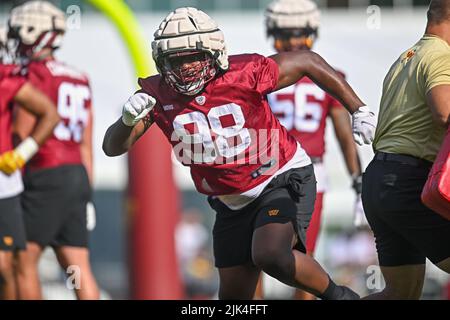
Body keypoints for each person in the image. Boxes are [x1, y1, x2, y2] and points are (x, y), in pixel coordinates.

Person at [103, 7, 376, 300]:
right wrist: (127, 121)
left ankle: (342, 297)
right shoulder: (158, 94)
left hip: (279, 176)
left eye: (192, 58)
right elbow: (112, 147)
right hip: (230, 200)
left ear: (214, 54)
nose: (184, 68)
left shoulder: (245, 73)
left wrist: (357, 108)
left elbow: (307, 61)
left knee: (270, 254)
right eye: (175, 60)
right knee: (234, 300)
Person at [257, 0, 365, 300]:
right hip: (262, 171)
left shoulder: (328, 75)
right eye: (284, 36)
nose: (293, 43)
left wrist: (358, 179)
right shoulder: (258, 73)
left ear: (312, 35)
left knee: (303, 257)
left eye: (300, 36)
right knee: (249, 256)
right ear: (271, 34)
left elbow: (345, 135)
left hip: (307, 173)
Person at [7, 1, 99, 300]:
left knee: (23, 259)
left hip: (43, 174)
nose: (16, 41)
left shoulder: (33, 73)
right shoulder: (79, 76)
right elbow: (86, 141)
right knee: (77, 265)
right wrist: (87, 194)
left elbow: (22, 131)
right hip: (76, 176)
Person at [362, 0, 450, 300]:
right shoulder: (441, 55)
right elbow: (445, 112)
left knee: (400, 294)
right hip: (407, 183)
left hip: (380, 180)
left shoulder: (406, 57)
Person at [0, 25, 59, 299]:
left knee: (5, 266)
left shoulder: (6, 80)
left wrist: (22, 153)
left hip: (3, 183)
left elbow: (49, 113)